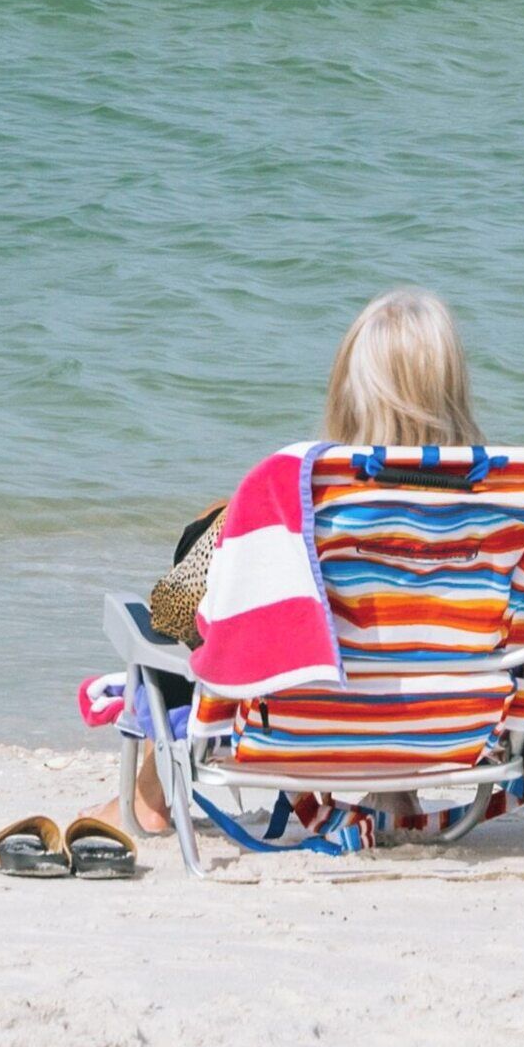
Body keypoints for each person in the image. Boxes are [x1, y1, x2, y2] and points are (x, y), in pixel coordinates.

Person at [110, 288, 480, 833]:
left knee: (199, 569)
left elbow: (176, 612)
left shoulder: (295, 490)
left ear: (347, 386)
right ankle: (397, 790)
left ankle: (151, 795)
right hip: (444, 722)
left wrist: (213, 535)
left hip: (313, 720)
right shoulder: (509, 502)